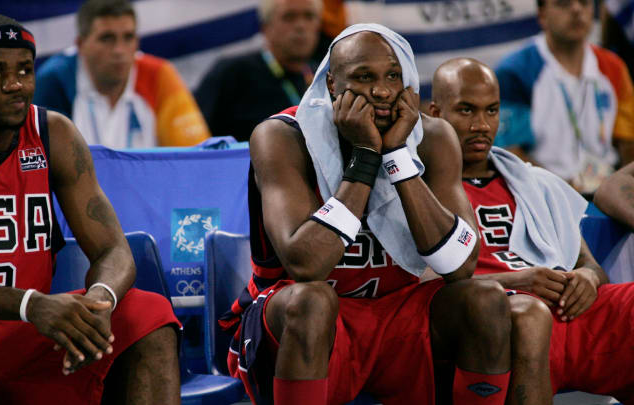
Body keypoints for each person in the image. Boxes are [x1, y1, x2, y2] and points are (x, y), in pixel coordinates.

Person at [220, 24, 514, 405]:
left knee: (486, 300)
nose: (381, 90)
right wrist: (364, 158)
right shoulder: (282, 136)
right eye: (363, 77)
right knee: (311, 302)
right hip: (309, 318)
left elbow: (460, 266)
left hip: (398, 309)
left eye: (393, 76)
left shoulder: (433, 138)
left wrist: (397, 158)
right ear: (331, 85)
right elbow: (306, 265)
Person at [0, 14, 181, 404]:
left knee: (150, 312)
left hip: (31, 329)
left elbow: (113, 251)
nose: (14, 85)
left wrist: (99, 301)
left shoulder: (53, 134)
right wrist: (30, 303)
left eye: (25, 70)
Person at [430, 57, 634, 404]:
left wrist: (586, 278)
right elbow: (416, 290)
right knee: (528, 316)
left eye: (491, 111)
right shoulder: (419, 189)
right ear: (435, 113)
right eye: (466, 110)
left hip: (565, 309)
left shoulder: (533, 181)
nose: (481, 124)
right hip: (496, 320)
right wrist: (516, 282)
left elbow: (587, 262)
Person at [494, 0, 634, 194]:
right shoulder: (515, 71)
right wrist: (563, 190)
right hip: (543, 194)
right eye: (563, 3)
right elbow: (510, 152)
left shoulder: (614, 67)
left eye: (584, 3)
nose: (577, 10)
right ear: (542, 15)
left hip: (606, 192)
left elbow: (628, 143)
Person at [34, 0, 210, 149]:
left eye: (128, 37)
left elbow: (197, 156)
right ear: (81, 44)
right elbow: (42, 165)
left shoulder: (159, 75)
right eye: (107, 38)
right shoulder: (54, 81)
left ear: (137, 41)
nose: (119, 50)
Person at [194, 0, 322, 142]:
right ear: (265, 28)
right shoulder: (232, 73)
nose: (301, 26)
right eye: (289, 17)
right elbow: (196, 141)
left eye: (309, 16)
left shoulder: (325, 77)